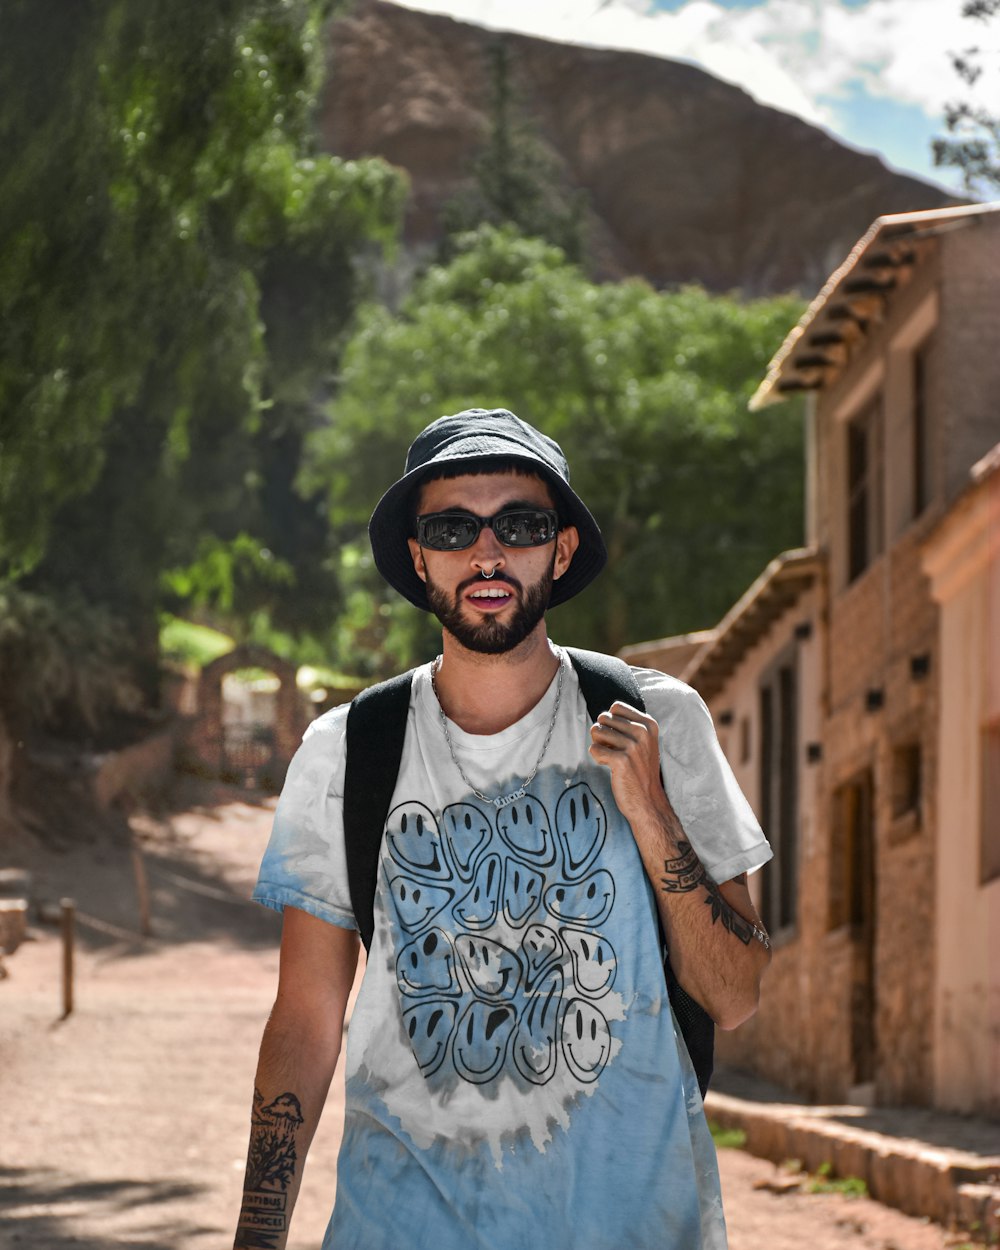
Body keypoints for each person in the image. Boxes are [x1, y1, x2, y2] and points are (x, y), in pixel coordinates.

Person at [234, 407, 772, 1250]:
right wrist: (255, 1239)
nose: (487, 553)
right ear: (419, 558)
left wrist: (652, 816)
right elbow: (305, 1017)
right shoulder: (347, 752)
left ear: (559, 550)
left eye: (518, 524)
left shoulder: (659, 721)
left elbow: (736, 996)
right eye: (453, 528)